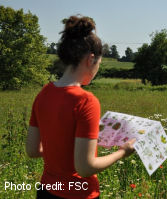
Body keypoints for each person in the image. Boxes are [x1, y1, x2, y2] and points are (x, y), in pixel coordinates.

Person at [25, 15, 136, 199]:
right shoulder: (86, 101)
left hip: (47, 192)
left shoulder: (44, 93)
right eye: (99, 63)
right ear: (91, 59)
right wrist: (122, 153)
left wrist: (70, 146)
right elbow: (85, 168)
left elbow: (33, 150)